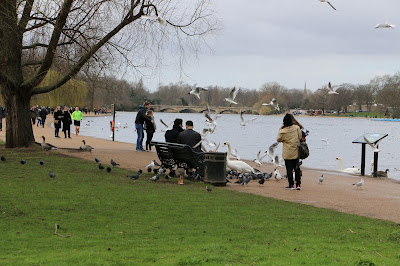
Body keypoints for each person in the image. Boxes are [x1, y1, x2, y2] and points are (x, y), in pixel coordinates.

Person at [277, 113, 303, 190]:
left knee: (289, 169)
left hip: (287, 152)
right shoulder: (297, 128)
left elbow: (278, 139)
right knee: (297, 168)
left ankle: (291, 184)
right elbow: (300, 136)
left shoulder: (283, 131)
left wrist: (279, 131)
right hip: (296, 151)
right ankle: (298, 184)